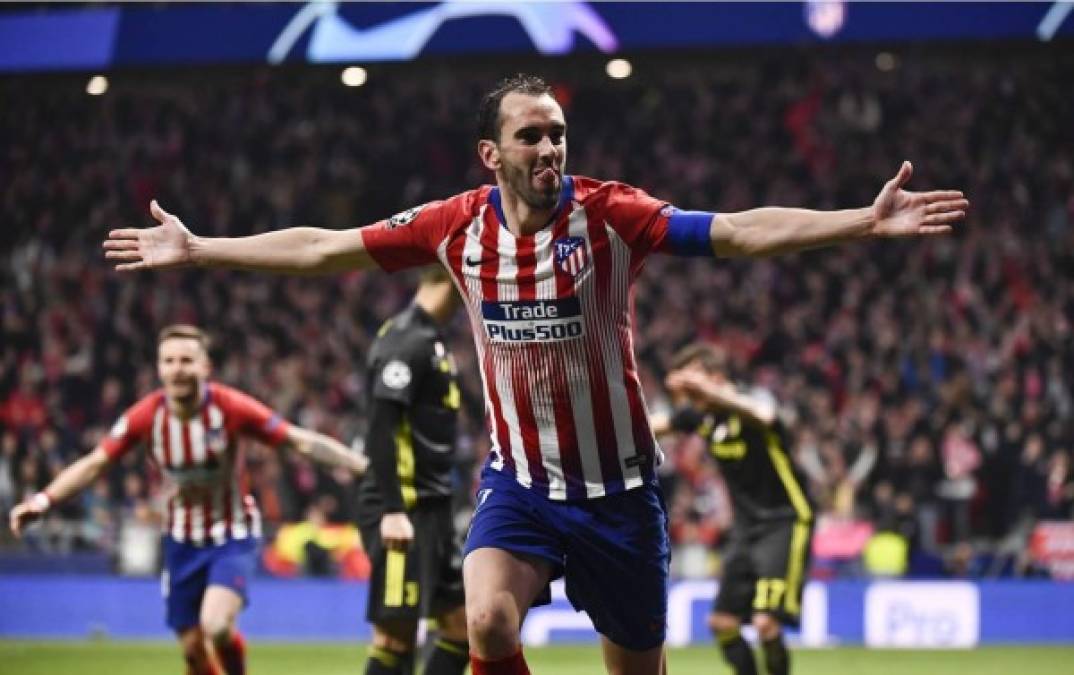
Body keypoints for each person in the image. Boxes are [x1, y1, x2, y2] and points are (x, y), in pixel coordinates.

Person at [102, 74, 968, 675]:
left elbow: (737, 230)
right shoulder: (453, 227)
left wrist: (859, 220)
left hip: (622, 495)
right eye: (532, 133)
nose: (550, 144)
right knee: (485, 619)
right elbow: (325, 248)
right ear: (493, 153)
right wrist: (203, 247)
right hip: (518, 484)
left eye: (558, 132)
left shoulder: (610, 214)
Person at [8, 324, 368, 675]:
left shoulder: (230, 408)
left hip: (232, 535)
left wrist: (362, 467)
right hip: (180, 541)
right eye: (169, 361)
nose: (177, 369)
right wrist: (42, 502)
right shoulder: (147, 416)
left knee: (217, 625)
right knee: (194, 652)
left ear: (205, 367)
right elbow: (95, 463)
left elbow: (298, 441)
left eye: (186, 360)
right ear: (159, 368)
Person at [655, 343, 812, 675]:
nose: (689, 391)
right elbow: (651, 425)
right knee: (722, 622)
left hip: (785, 520)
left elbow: (767, 415)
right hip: (745, 526)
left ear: (716, 377)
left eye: (696, 380)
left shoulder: (752, 400)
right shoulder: (702, 416)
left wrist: (711, 391)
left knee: (765, 623)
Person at [357, 266, 469, 675]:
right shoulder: (407, 339)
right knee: (394, 637)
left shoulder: (432, 339)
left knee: (462, 629)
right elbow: (381, 427)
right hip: (404, 506)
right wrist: (392, 509)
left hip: (433, 508)